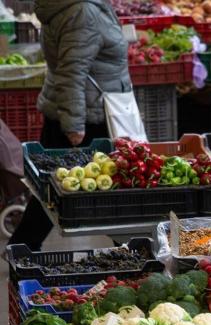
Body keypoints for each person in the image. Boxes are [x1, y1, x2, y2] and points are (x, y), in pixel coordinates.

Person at [9, 0, 130, 250]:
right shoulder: (82, 12)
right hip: (86, 116)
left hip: (75, 110)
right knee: (103, 184)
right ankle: (133, 247)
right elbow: (72, 71)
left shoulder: (75, 7)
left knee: (50, 190)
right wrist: (74, 126)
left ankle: (21, 247)